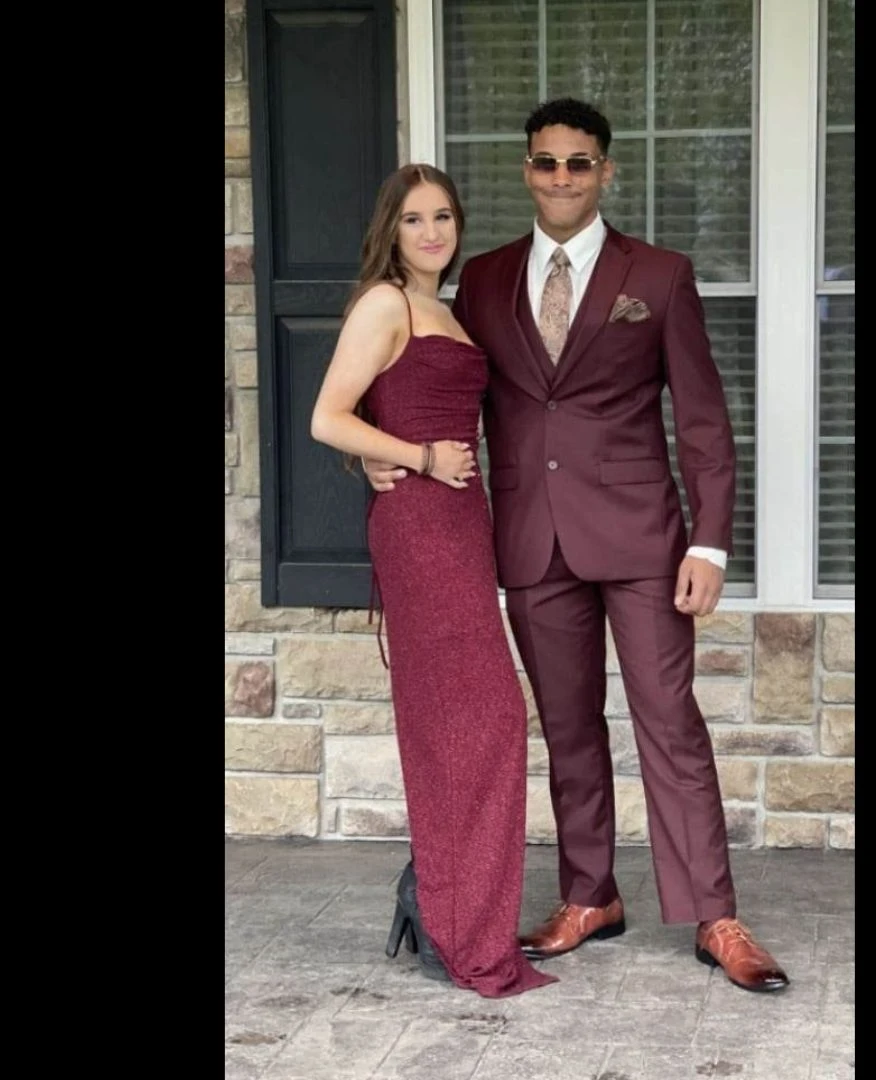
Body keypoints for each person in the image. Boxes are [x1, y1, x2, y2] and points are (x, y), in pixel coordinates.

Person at [365, 99, 789, 994]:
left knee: (668, 723)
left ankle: (715, 915)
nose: (562, 177)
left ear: (605, 171)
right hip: (527, 538)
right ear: (526, 170)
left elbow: (704, 421)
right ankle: (589, 893)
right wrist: (378, 455)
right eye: (547, 162)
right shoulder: (479, 280)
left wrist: (710, 542)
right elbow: (418, 372)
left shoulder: (660, 275)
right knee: (567, 729)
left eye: (579, 163)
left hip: (642, 538)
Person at [309, 163, 556, 999]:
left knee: (472, 723)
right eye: (414, 219)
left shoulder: (445, 310)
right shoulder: (384, 303)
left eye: (444, 216)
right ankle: (448, 906)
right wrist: (409, 456)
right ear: (392, 228)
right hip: (419, 527)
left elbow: (374, 416)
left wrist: (390, 450)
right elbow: (327, 415)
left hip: (463, 524)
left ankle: (437, 893)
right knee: (482, 718)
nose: (431, 233)